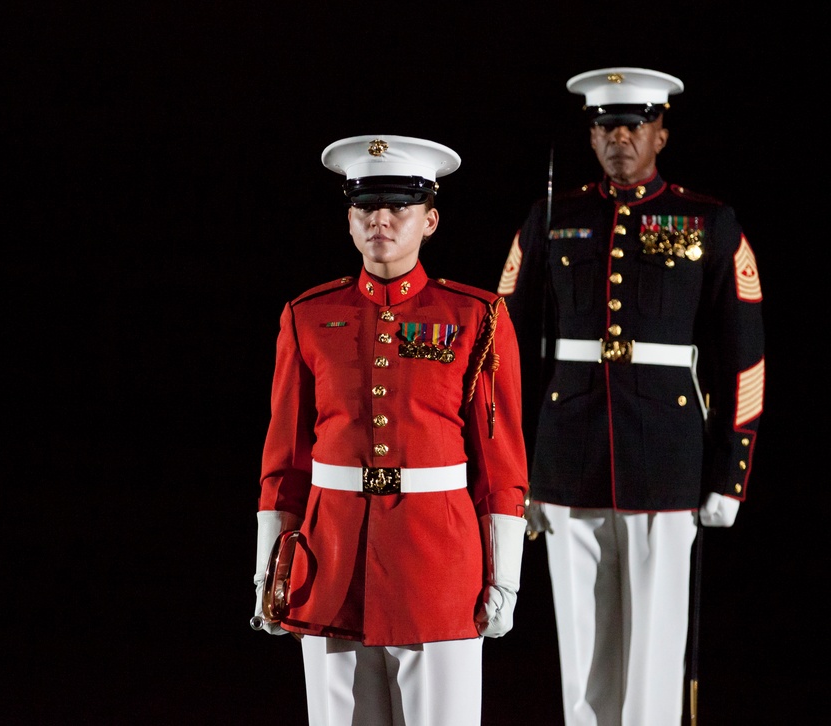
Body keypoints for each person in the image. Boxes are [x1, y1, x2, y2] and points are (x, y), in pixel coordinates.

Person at [497, 68, 765, 725]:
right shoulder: (551, 218)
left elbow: (745, 354)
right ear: (590, 138)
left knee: (654, 653)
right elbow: (501, 350)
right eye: (605, 126)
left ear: (661, 133)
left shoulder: (710, 221)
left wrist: (731, 473)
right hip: (566, 456)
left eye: (635, 124)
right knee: (583, 651)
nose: (620, 136)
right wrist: (513, 469)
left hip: (670, 460)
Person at [251, 134, 530, 726]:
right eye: (365, 207)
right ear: (349, 221)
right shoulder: (306, 316)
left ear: (429, 219)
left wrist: (504, 578)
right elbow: (285, 462)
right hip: (328, 569)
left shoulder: (476, 317)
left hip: (439, 570)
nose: (380, 218)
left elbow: (500, 464)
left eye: (398, 206)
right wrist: (268, 571)